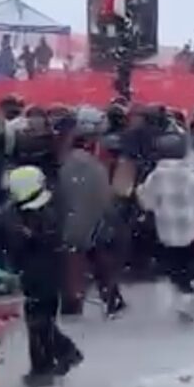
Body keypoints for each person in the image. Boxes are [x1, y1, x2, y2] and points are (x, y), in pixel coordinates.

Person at [4, 165, 83, 386]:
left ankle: (48, 363)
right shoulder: (35, 212)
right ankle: (51, 361)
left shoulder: (42, 215)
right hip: (40, 275)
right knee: (41, 322)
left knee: (39, 321)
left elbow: (42, 241)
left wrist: (27, 238)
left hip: (43, 276)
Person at [136, 134, 194, 323]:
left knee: (173, 266)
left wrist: (141, 191)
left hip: (165, 230)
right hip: (191, 230)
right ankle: (188, 299)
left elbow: (147, 203)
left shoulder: (154, 177)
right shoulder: (191, 178)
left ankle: (173, 293)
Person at [58, 107, 126, 318]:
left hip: (72, 217)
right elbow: (103, 195)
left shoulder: (69, 158)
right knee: (93, 258)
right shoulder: (89, 163)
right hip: (88, 218)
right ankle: (106, 298)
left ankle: (74, 302)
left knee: (77, 259)